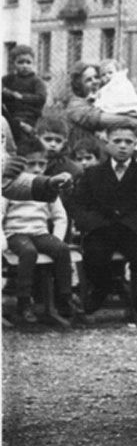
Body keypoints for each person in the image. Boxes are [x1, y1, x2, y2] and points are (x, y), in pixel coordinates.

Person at [70, 122, 137, 315]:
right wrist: (93, 223)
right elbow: (79, 205)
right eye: (117, 141)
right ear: (107, 144)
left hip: (132, 232)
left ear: (136, 144)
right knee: (94, 257)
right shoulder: (93, 174)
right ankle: (103, 288)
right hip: (102, 230)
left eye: (128, 142)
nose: (122, 146)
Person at [2, 137, 75, 326]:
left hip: (39, 232)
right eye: (31, 164)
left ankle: (64, 298)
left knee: (61, 250)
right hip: (16, 233)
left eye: (41, 164)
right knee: (28, 252)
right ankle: (24, 302)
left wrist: (56, 239)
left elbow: (60, 216)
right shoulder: (11, 185)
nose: (36, 169)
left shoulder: (48, 184)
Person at [64, 61, 137, 139]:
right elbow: (98, 119)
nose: (95, 82)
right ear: (79, 86)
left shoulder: (105, 96)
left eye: (96, 77)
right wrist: (130, 121)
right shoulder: (76, 104)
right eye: (88, 80)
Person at [3, 45, 47, 145]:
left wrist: (22, 97)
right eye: (20, 62)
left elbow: (41, 98)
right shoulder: (9, 79)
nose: (25, 66)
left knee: (23, 139)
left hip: (30, 115)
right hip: (11, 114)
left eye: (28, 62)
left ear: (34, 63)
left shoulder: (36, 81)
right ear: (13, 63)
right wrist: (9, 94)